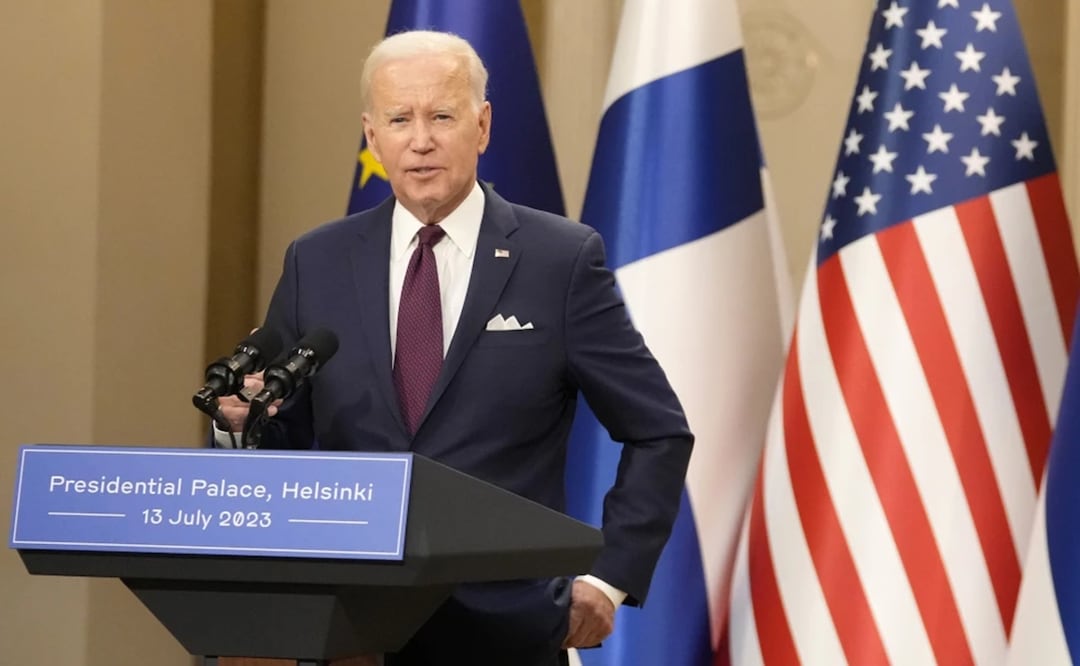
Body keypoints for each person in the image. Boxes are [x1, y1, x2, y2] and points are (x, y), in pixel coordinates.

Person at [218, 30, 693, 666]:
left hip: (507, 629)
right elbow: (279, 429)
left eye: (442, 115)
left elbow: (659, 431)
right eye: (399, 119)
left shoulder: (559, 259)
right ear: (371, 134)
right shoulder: (316, 261)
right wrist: (239, 426)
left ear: (483, 125)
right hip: (346, 628)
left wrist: (609, 576)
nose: (420, 141)